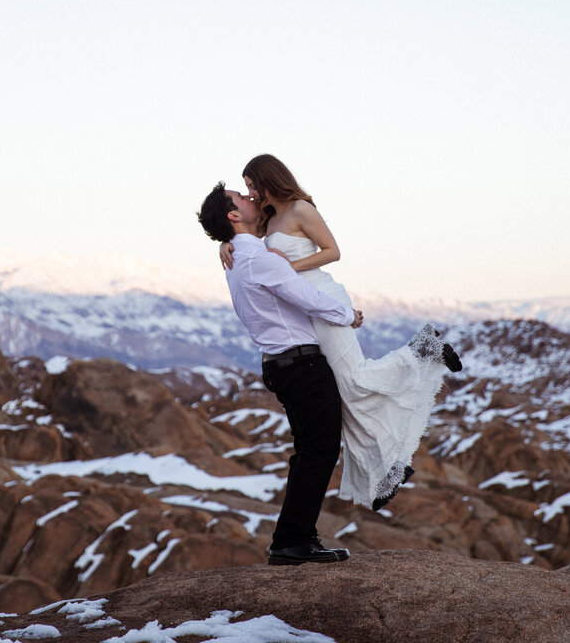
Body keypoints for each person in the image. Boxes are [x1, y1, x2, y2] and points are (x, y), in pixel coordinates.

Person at [220, 154, 462, 512]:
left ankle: (422, 350)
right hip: (305, 307)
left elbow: (333, 252)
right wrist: (223, 244)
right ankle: (386, 472)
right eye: (249, 189)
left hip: (324, 296)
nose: (252, 194)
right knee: (346, 396)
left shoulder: (301, 209)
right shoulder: (267, 218)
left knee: (356, 380)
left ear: (271, 179)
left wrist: (290, 267)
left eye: (254, 185)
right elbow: (246, 244)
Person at [197, 181, 362, 566]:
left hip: (282, 365)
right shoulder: (257, 259)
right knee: (319, 450)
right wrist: (347, 316)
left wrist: (225, 240)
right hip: (300, 364)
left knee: (309, 450)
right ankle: (290, 542)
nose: (251, 197)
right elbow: (304, 297)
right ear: (234, 215)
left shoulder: (239, 255)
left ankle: (297, 538)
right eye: (241, 197)